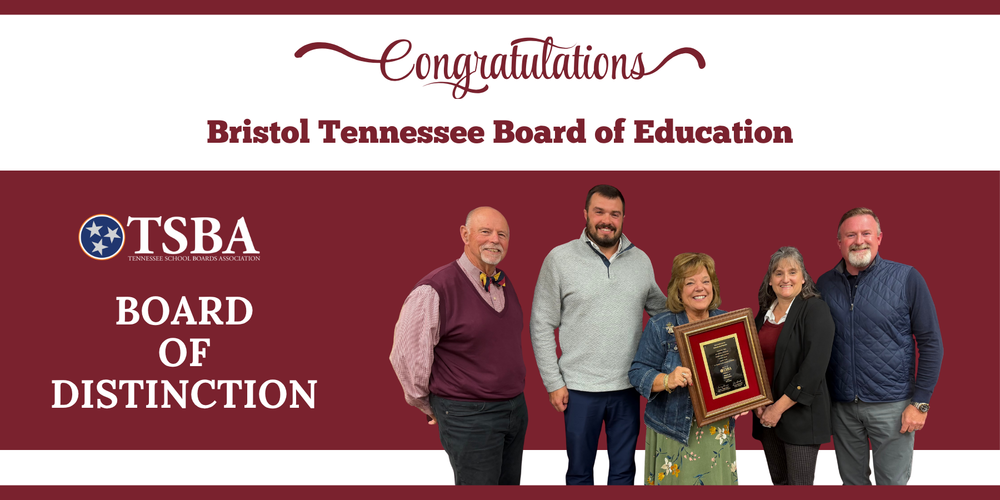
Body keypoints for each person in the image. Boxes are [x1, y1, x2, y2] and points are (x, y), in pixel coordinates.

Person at [530, 184, 668, 485]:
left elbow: (664, 313)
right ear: (585, 214)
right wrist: (553, 382)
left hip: (628, 387)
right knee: (579, 473)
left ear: (623, 218)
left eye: (615, 214)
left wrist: (706, 320)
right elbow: (541, 324)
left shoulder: (641, 261)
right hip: (578, 390)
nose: (607, 220)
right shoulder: (559, 259)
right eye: (599, 212)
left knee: (623, 472)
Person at [389, 207, 527, 485]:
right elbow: (405, 355)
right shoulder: (435, 288)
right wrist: (431, 406)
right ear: (465, 234)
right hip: (470, 416)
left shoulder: (504, 283)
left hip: (514, 410)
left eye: (502, 234)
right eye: (485, 232)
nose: (495, 240)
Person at [816, 207, 944, 485]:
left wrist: (920, 403)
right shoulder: (824, 284)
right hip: (842, 407)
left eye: (866, 233)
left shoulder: (907, 278)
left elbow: (931, 343)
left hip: (894, 407)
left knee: (893, 484)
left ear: (879, 238)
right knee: (852, 484)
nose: (859, 240)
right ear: (839, 242)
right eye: (851, 235)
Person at [629, 253, 737, 485]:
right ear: (678, 290)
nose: (700, 288)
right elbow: (637, 373)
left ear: (713, 287)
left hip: (716, 431)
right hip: (673, 429)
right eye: (690, 282)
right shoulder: (660, 326)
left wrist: (741, 400)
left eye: (705, 281)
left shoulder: (728, 323)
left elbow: (737, 376)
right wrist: (667, 380)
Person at [751, 247, 835, 485]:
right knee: (779, 483)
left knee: (799, 486)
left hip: (799, 415)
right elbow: (752, 363)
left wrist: (778, 409)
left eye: (792, 272)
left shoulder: (815, 310)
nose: (785, 278)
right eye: (778, 273)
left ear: (804, 278)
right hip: (766, 414)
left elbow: (813, 369)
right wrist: (759, 402)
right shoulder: (762, 316)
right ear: (770, 280)